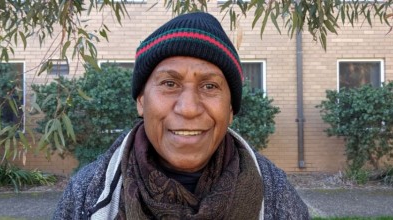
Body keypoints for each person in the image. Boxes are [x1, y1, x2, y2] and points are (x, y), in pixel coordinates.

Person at [53, 12, 309, 219]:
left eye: (210, 86)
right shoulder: (86, 193)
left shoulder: (274, 193)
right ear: (141, 101)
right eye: (169, 83)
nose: (188, 108)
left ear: (230, 110)